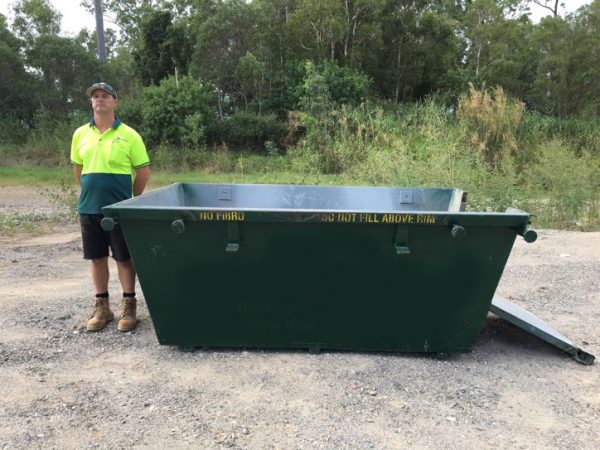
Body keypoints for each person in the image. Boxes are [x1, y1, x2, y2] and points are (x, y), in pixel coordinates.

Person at [70, 82, 151, 332]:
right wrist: (90, 192)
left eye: (105, 96)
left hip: (119, 210)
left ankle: (129, 306)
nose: (100, 99)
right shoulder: (80, 134)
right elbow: (78, 169)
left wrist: (131, 200)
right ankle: (102, 307)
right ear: (91, 102)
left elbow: (143, 172)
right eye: (95, 96)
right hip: (89, 208)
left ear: (115, 102)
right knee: (97, 258)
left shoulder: (130, 134)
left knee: (124, 258)